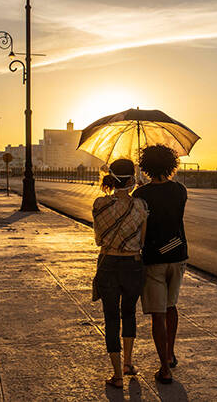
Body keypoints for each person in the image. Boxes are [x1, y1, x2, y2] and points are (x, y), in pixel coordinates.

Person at [132, 145, 188, 384]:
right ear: (171, 164)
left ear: (145, 167)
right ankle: (171, 353)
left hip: (154, 257)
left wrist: (139, 189)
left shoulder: (140, 195)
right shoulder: (180, 190)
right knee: (171, 306)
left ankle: (164, 368)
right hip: (177, 253)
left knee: (158, 313)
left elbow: (138, 227)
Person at [92, 159, 148, 388]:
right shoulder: (141, 206)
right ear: (133, 180)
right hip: (132, 265)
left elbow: (97, 238)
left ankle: (116, 375)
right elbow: (142, 241)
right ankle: (128, 363)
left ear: (112, 179)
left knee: (111, 318)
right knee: (129, 314)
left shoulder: (99, 204)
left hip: (108, 264)